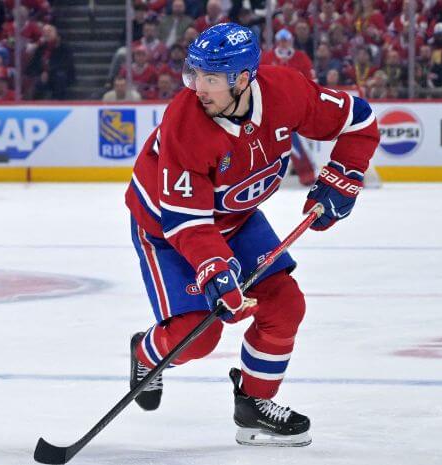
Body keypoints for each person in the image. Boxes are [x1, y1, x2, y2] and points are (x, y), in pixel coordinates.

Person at [124, 23, 379, 447]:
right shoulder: (184, 124)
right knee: (199, 335)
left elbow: (358, 121)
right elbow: (187, 222)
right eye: (195, 74)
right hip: (168, 230)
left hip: (235, 219)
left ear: (243, 79)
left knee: (285, 303)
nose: (198, 88)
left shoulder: (286, 92)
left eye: (211, 78)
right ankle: (144, 353)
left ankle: (254, 404)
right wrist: (216, 270)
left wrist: (344, 174)